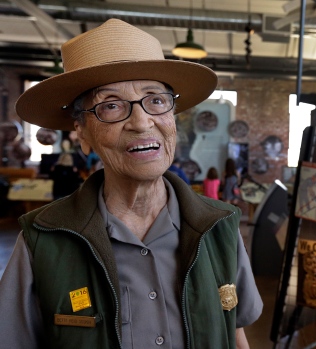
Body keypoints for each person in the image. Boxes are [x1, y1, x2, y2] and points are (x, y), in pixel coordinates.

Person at [0, 19, 262, 348]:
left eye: (155, 100)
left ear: (172, 118)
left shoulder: (220, 226)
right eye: (111, 105)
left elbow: (235, 333)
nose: (141, 122)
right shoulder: (44, 238)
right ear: (81, 132)